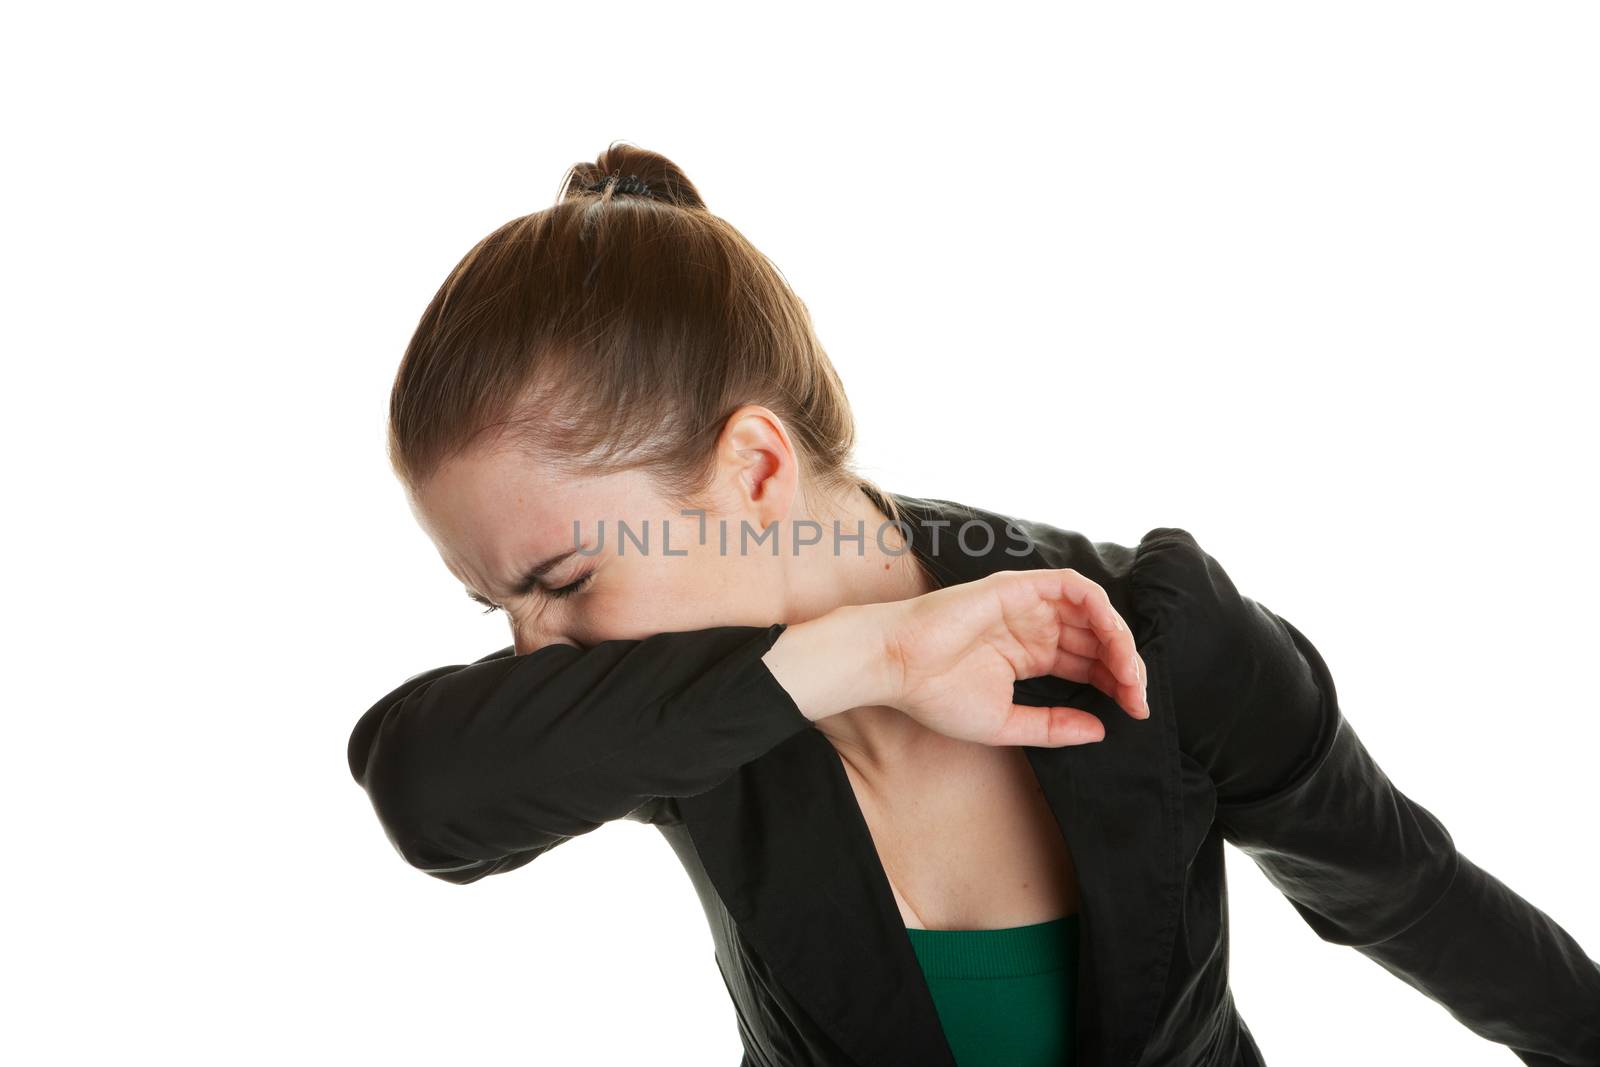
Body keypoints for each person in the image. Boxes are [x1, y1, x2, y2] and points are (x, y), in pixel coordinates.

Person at [347, 143, 1600, 1066]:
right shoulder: (682, 715)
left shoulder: (1149, 627)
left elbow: (1412, 895)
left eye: (560, 581)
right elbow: (428, 794)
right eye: (491, 606)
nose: (532, 650)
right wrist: (872, 652)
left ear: (757, 468)